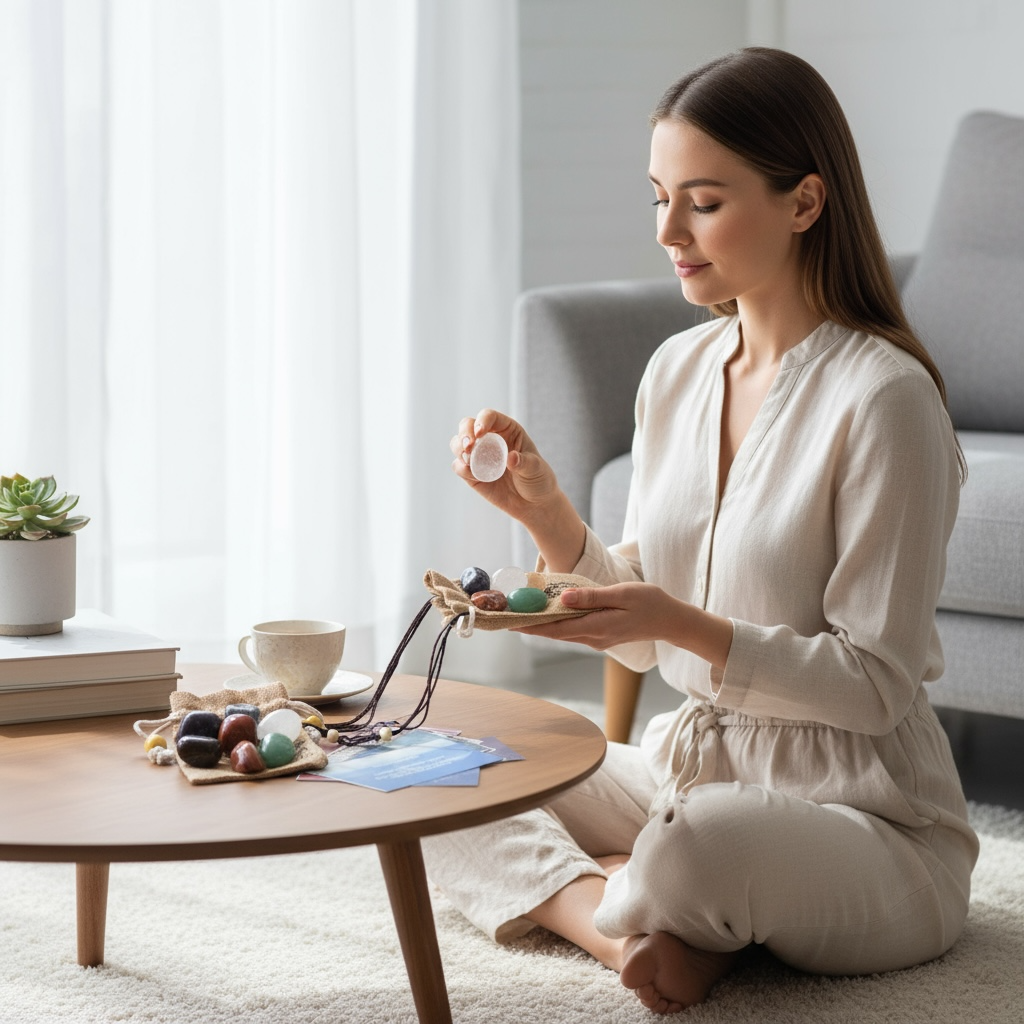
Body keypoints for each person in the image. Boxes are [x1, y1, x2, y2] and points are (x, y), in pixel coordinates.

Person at [425, 47, 978, 1015]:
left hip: (866, 817)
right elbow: (642, 633)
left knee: (700, 844)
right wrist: (545, 514)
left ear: (804, 202)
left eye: (704, 202)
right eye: (658, 198)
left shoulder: (884, 398)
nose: (667, 231)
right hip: (689, 768)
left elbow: (875, 684)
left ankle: (645, 894)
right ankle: (625, 924)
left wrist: (677, 622)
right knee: (441, 772)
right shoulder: (675, 371)